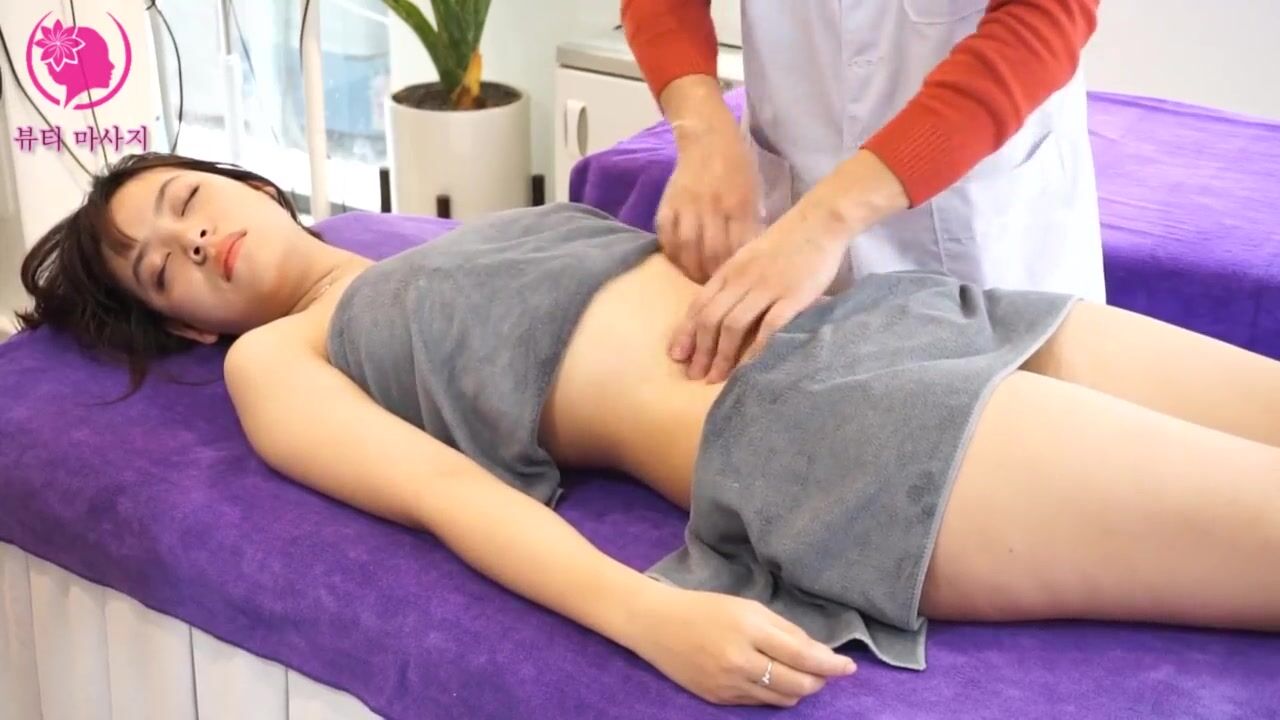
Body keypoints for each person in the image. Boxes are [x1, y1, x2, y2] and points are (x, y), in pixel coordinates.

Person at [18, 153, 1280, 709]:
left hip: (905, 317)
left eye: (184, 201)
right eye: (161, 268)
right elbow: (448, 497)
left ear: (249, 185)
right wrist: (648, 616)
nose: (191, 238)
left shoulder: (442, 238)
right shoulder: (276, 359)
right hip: (837, 431)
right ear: (183, 329)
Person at [622, 0, 1106, 384]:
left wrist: (825, 220)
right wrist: (701, 127)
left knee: (1013, 439)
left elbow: (1040, 22)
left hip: (984, 219)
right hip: (793, 181)